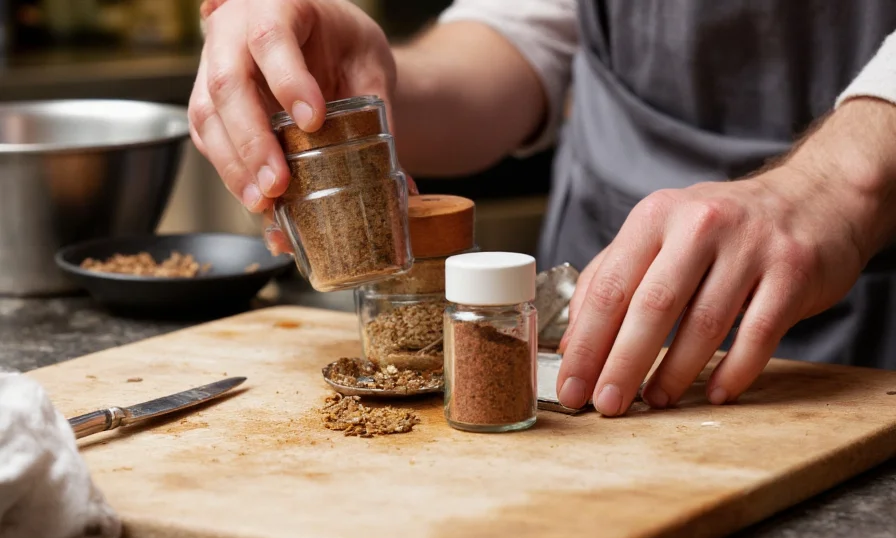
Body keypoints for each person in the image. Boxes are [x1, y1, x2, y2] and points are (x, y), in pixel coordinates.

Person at [189, 0, 896, 417]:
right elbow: (524, 31)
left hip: (866, 333)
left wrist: (838, 186)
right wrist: (370, 92)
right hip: (588, 308)